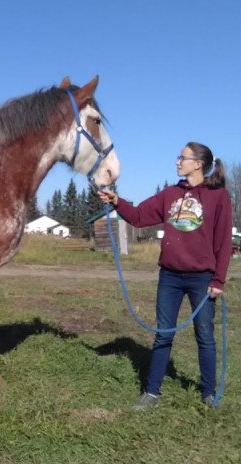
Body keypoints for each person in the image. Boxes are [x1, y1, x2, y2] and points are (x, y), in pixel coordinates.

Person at [99, 142, 232, 409]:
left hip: (202, 279)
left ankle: (208, 393)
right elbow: (137, 217)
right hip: (170, 277)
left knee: (204, 335)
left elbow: (224, 241)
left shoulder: (219, 197)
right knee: (163, 334)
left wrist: (218, 280)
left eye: (182, 158)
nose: (177, 162)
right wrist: (117, 202)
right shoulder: (170, 194)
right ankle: (151, 392)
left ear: (198, 164)